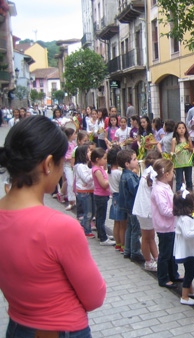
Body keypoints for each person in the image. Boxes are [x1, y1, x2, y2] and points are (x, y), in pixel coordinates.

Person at [0, 115, 105, 336]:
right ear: (48, 164)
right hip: (60, 329)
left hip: (17, 325)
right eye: (60, 162)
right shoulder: (59, 227)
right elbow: (94, 296)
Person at [150, 158, 180, 288]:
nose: (173, 174)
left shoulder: (165, 186)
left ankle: (174, 273)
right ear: (166, 174)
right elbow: (165, 210)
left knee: (173, 252)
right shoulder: (158, 190)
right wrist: (179, 209)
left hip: (171, 225)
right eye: (172, 171)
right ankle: (163, 277)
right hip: (164, 227)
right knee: (165, 253)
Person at [173, 186, 194, 305]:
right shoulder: (185, 219)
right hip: (186, 250)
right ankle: (184, 296)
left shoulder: (184, 217)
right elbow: (188, 234)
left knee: (189, 270)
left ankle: (190, 290)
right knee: (190, 272)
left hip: (188, 248)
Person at [132, 150, 161, 271]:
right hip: (146, 211)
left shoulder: (148, 170)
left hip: (146, 210)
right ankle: (148, 262)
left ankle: (157, 258)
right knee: (146, 237)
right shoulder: (153, 174)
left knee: (150, 236)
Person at [117, 149, 145, 262]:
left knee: (130, 227)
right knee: (136, 230)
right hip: (133, 206)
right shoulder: (129, 176)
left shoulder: (126, 174)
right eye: (134, 159)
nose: (137, 160)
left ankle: (127, 250)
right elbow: (135, 190)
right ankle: (135, 252)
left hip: (127, 206)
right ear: (127, 164)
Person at [91, 147, 116, 246]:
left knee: (101, 216)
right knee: (101, 217)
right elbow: (103, 184)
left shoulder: (100, 169)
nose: (106, 161)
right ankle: (103, 238)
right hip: (100, 196)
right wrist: (111, 179)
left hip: (102, 195)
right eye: (104, 158)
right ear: (97, 159)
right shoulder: (97, 170)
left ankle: (102, 233)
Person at [107, 146, 127, 253]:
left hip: (114, 197)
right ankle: (123, 245)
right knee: (123, 224)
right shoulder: (119, 173)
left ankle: (118, 243)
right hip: (120, 197)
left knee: (116, 223)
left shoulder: (110, 171)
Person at [74, 145, 95, 238]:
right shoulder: (80, 166)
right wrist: (94, 172)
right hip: (83, 191)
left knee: (91, 211)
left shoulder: (87, 165)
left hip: (89, 190)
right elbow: (86, 179)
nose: (90, 153)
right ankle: (86, 230)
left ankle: (82, 227)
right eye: (88, 151)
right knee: (88, 212)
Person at [171, 121, 194, 191]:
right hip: (178, 163)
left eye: (183, 128)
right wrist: (175, 152)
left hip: (188, 162)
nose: (181, 130)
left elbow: (192, 150)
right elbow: (172, 152)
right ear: (176, 130)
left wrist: (188, 148)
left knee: (189, 180)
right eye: (179, 128)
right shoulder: (174, 140)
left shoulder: (188, 138)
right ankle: (179, 196)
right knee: (179, 181)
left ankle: (190, 194)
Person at [63, 127, 77, 210]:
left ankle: (74, 199)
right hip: (67, 165)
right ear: (70, 135)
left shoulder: (74, 143)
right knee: (70, 182)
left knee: (74, 182)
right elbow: (64, 156)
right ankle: (70, 200)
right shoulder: (65, 144)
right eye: (74, 134)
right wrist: (70, 158)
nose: (75, 135)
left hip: (73, 164)